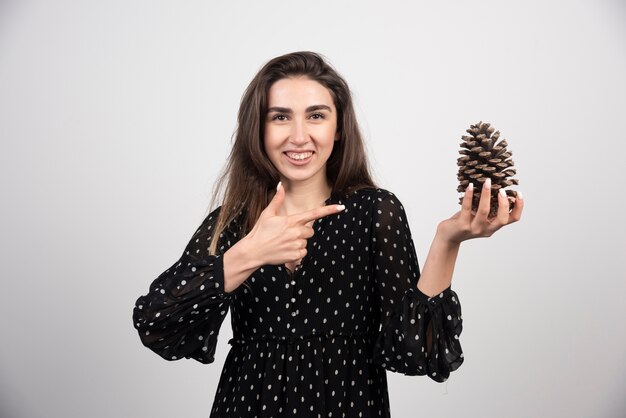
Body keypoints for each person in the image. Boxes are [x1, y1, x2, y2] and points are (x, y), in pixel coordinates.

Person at [132, 51, 523, 417]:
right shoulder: (233, 222)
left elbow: (415, 353)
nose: (298, 136)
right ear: (259, 129)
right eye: (280, 117)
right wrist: (250, 252)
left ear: (338, 129)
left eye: (316, 116)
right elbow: (157, 324)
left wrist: (447, 240)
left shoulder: (374, 212)